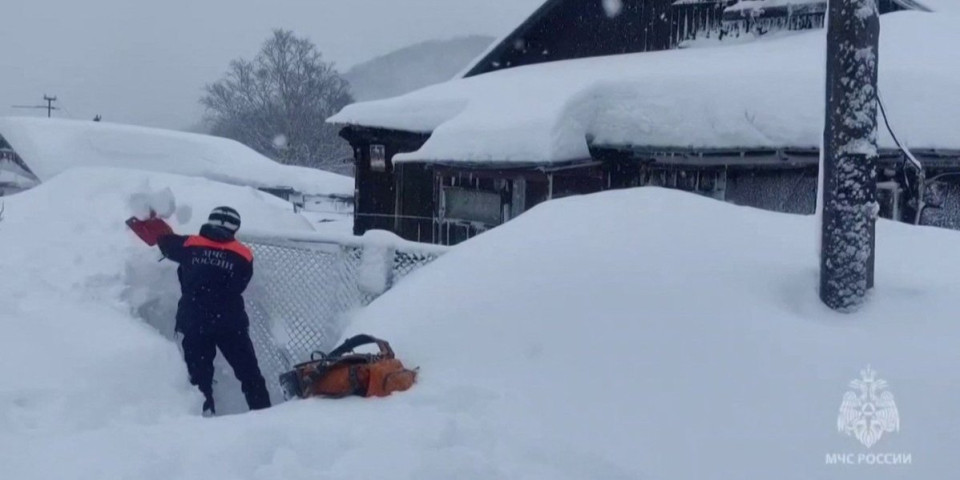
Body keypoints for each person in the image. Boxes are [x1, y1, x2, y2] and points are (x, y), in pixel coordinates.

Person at [129, 206, 271, 416]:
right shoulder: (243, 255)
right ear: (235, 229)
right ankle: (265, 416)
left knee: (199, 378)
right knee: (249, 374)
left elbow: (162, 240)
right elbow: (240, 285)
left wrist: (147, 216)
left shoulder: (187, 244)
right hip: (230, 323)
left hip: (194, 320)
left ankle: (204, 420)